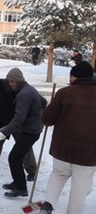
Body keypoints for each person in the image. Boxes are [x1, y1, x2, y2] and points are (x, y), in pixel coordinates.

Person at [39, 61, 96, 214]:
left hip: (62, 149)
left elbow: (47, 120)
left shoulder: (64, 93)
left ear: (74, 77)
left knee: (58, 174)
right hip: (89, 153)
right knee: (80, 189)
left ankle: (48, 205)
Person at [0, 70, 37, 178]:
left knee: (23, 145)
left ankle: (32, 171)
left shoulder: (6, 84)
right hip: (2, 121)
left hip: (16, 121)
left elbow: (22, 96)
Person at [0, 68, 46, 198]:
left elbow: (19, 118)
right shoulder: (27, 89)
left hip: (30, 131)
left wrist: (5, 132)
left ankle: (21, 188)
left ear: (18, 80)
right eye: (9, 81)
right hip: (31, 128)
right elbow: (43, 102)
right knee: (16, 156)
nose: (10, 84)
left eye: (12, 81)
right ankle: (18, 182)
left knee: (14, 157)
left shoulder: (24, 94)